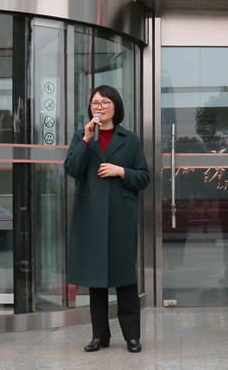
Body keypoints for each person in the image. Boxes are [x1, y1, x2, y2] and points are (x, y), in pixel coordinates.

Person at [64, 85, 150, 353]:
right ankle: (99, 335)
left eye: (104, 102)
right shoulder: (82, 136)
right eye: (94, 103)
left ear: (116, 106)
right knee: (95, 279)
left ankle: (132, 336)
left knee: (125, 278)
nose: (98, 107)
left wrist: (121, 171)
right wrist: (87, 140)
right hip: (90, 217)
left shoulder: (130, 138)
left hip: (120, 216)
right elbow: (72, 169)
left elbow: (143, 177)